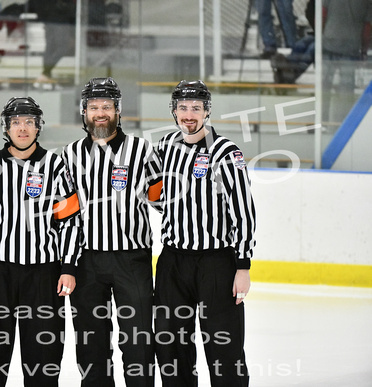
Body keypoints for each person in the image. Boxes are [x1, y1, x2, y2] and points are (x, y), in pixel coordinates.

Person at [0, 96, 82, 386]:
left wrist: (68, 266)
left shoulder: (55, 165)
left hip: (43, 275)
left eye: (29, 122)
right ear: (6, 128)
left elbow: (69, 221)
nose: (23, 128)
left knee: (44, 359)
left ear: (38, 127)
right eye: (16, 122)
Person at [61, 77, 162, 387]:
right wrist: (66, 264)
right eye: (94, 107)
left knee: (138, 342)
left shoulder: (142, 151)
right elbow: (65, 216)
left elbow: (164, 202)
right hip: (86, 262)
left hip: (132, 261)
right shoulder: (70, 154)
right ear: (84, 111)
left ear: (119, 110)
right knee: (91, 346)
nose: (100, 113)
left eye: (107, 106)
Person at [154, 80, 256, 387]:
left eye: (196, 108)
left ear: (206, 111)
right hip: (173, 261)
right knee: (171, 346)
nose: (189, 114)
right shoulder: (164, 148)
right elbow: (158, 197)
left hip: (216, 264)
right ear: (173, 111)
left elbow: (243, 211)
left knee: (224, 346)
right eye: (183, 108)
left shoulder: (225, 151)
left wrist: (243, 266)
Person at [321, 0, 372, 130]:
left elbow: (322, 13)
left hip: (329, 42)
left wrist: (321, 36)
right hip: (351, 46)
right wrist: (364, 50)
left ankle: (322, 122)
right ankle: (343, 126)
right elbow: (367, 27)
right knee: (346, 89)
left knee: (324, 86)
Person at [28, 0, 76, 85]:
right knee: (61, 47)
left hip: (51, 19)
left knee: (50, 47)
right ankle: (46, 73)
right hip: (60, 20)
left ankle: (46, 75)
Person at [271, 0, 315, 84]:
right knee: (301, 44)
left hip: (333, 37)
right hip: (321, 34)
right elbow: (310, 10)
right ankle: (287, 65)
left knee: (312, 49)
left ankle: (292, 74)